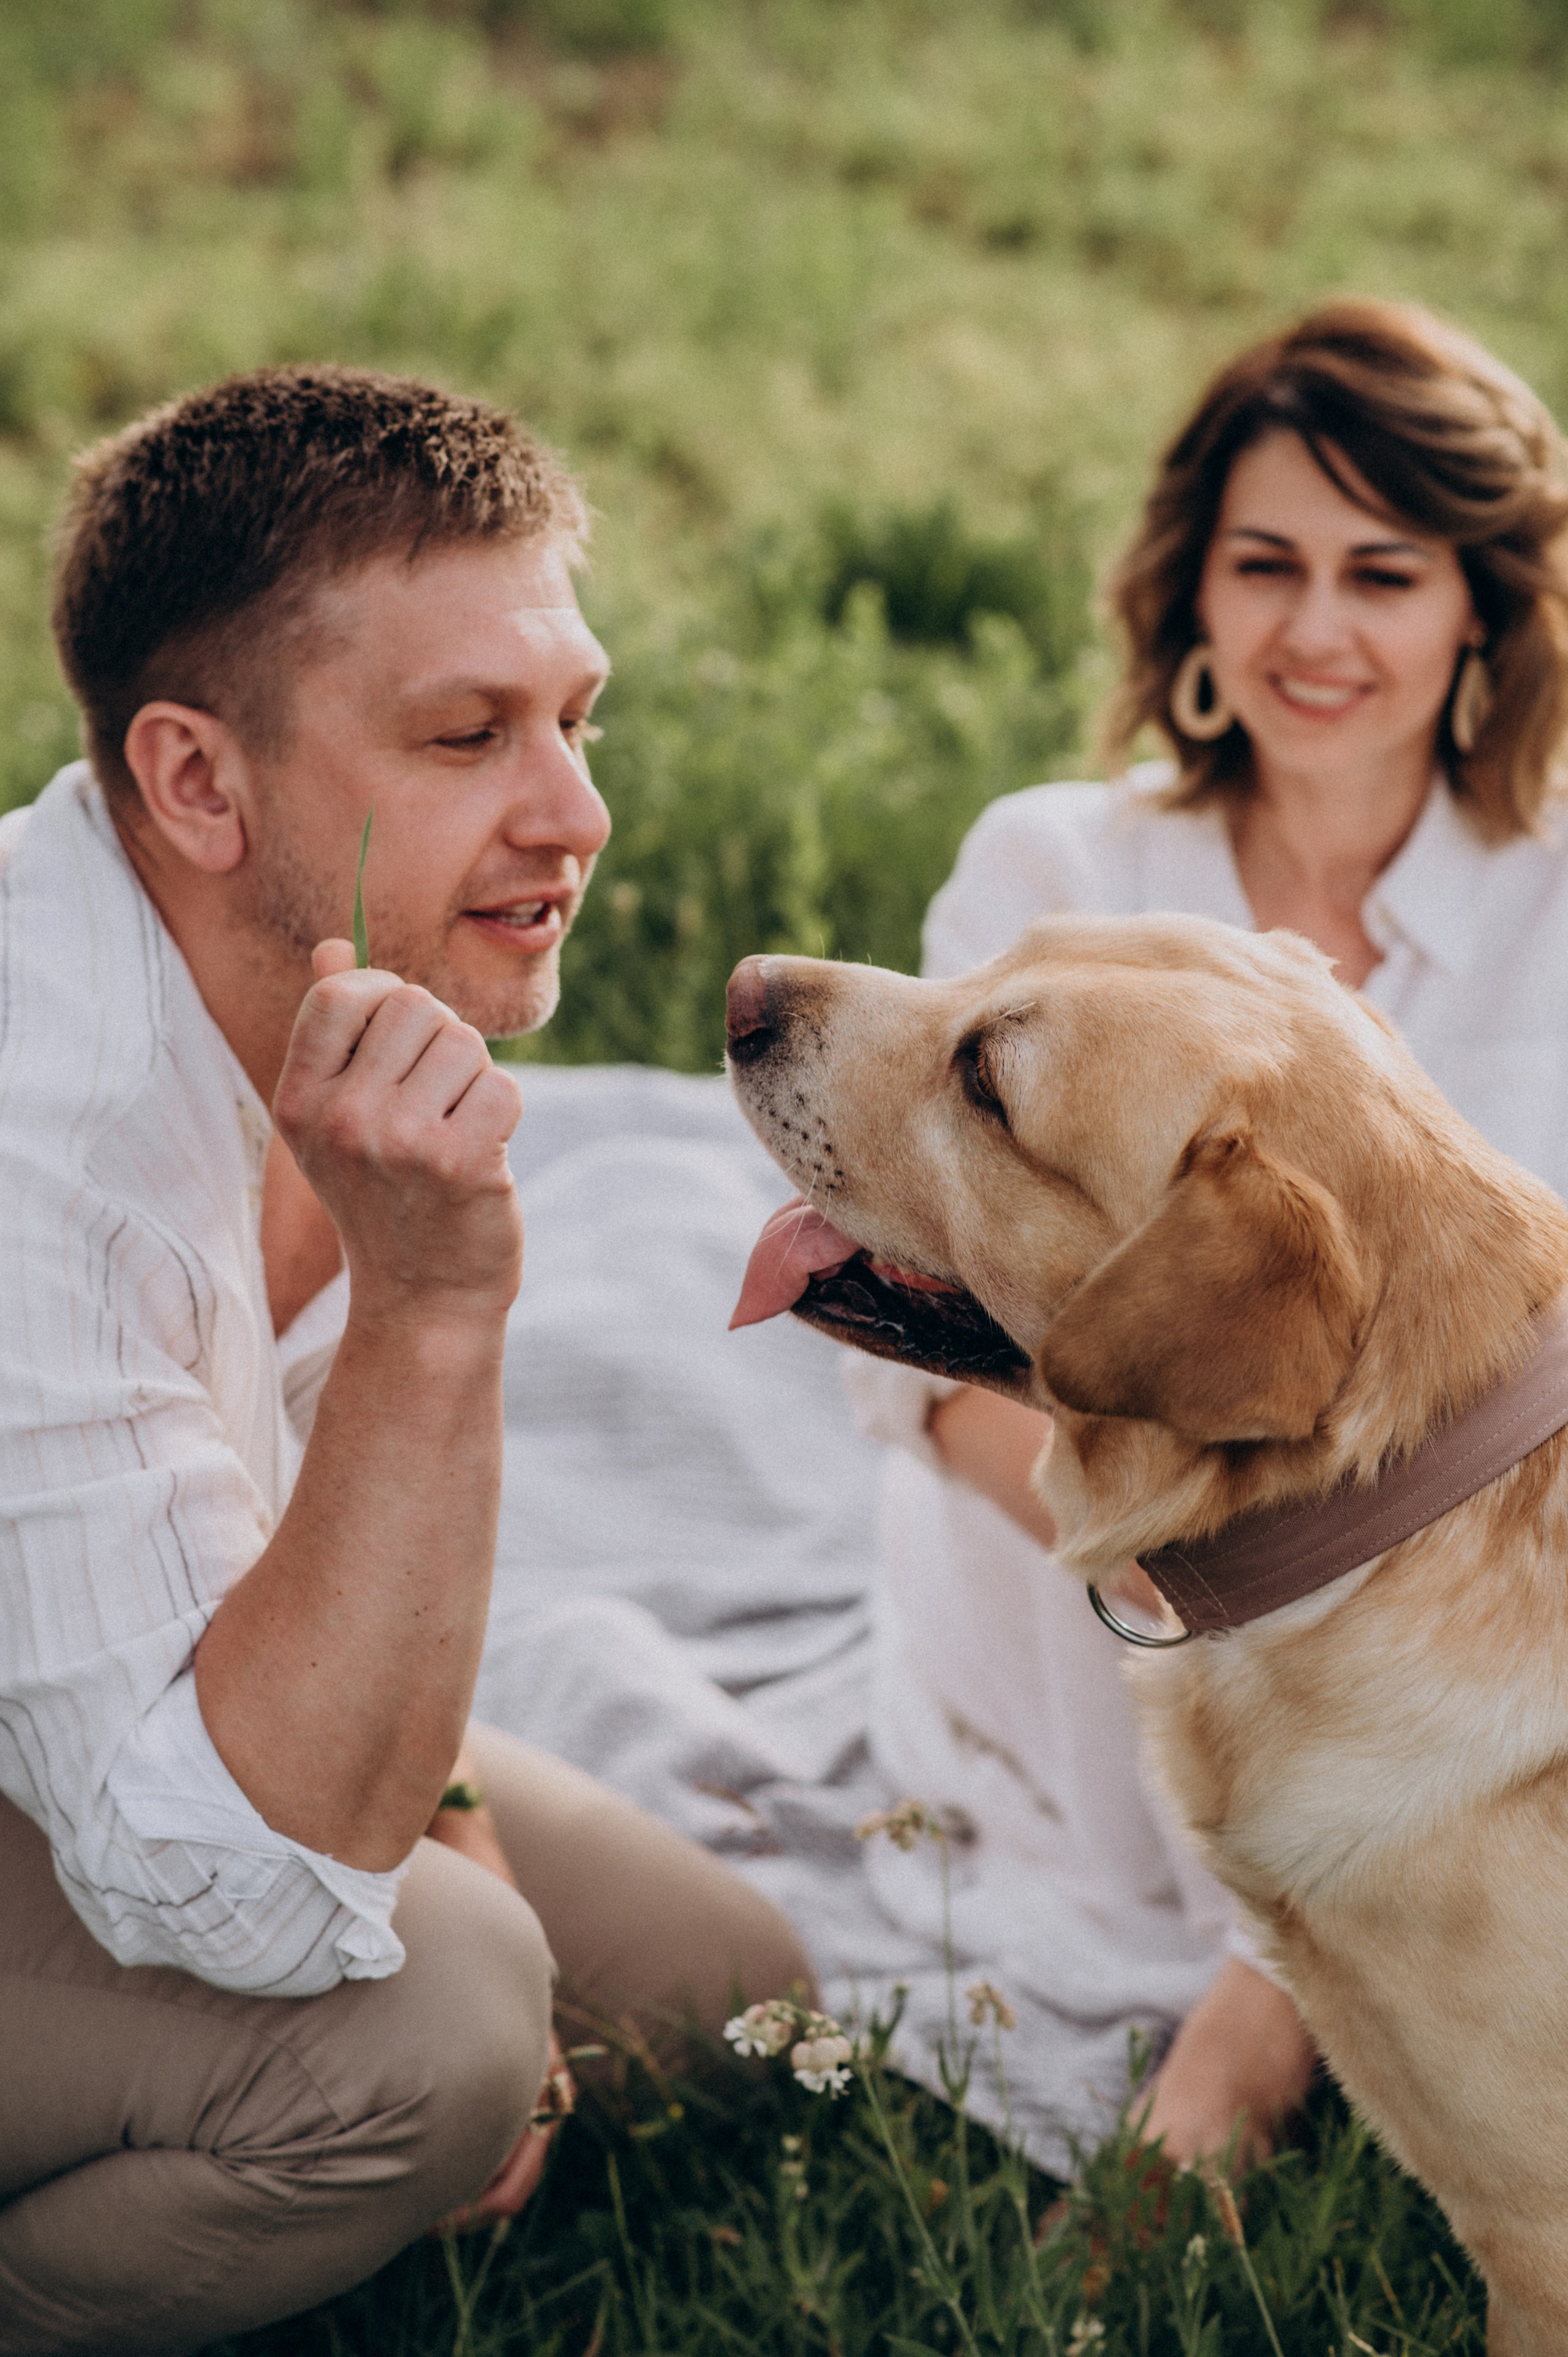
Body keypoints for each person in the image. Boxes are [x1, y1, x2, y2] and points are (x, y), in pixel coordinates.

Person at [0, 366, 812, 2357]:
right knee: (441, 2032)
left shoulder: (315, 984)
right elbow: (229, 1896)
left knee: (729, 1986)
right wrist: (438, 1304)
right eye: (469, 738)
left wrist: (443, 1816)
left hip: (90, 1689)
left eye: (574, 717)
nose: (578, 815)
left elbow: (276, 1535)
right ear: (200, 783)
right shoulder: (41, 1152)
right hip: (87, 1772)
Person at [847, 298, 1568, 2170]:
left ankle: (1281, 2023)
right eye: (1266, 566)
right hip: (1106, 1562)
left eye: (1383, 574)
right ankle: (1258, 2027)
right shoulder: (1064, 871)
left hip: (1482, 1601)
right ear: (1191, 594)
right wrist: (1212, 1592)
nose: (1316, 632)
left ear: (1479, 610)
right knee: (1248, 1747)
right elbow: (925, 1350)